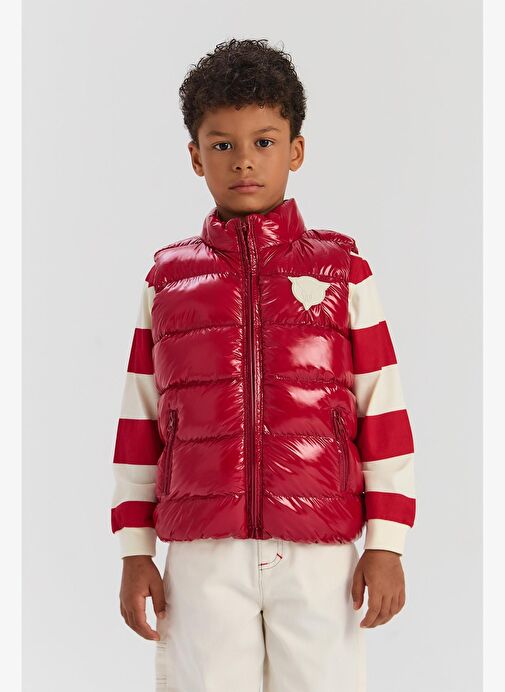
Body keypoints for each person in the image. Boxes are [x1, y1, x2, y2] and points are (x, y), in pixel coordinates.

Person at [110, 38, 416, 692]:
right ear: (195, 156)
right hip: (202, 555)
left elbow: (382, 409)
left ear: (295, 150)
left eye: (264, 142)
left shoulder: (342, 271)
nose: (244, 159)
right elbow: (139, 422)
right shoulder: (167, 282)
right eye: (222, 144)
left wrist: (386, 542)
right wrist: (136, 552)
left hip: (319, 551)